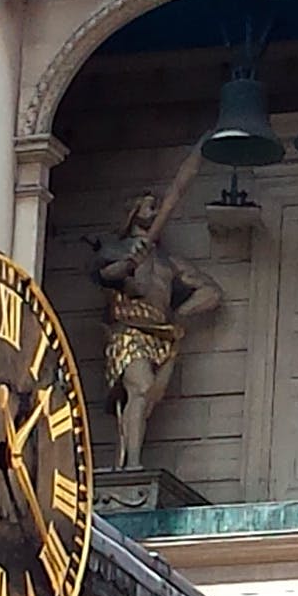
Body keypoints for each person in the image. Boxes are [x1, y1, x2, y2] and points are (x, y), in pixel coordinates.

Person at [95, 192, 222, 469]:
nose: (155, 213)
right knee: (141, 387)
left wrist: (181, 313)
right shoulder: (116, 249)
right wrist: (130, 263)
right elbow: (106, 275)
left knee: (147, 399)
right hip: (129, 328)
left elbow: (211, 292)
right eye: (150, 207)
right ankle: (132, 465)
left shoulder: (169, 262)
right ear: (133, 212)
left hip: (161, 335)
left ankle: (125, 460)